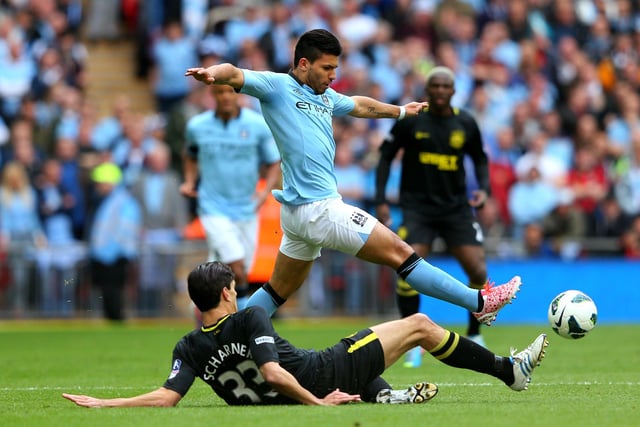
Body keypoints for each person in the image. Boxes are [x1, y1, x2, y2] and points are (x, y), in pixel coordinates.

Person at [184, 29, 521, 324]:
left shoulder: (325, 96)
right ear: (303, 64)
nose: (333, 75)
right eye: (327, 68)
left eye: (335, 68)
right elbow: (234, 72)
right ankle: (479, 303)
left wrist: (402, 111)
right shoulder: (277, 87)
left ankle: (227, 333)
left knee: (275, 291)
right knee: (401, 253)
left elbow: (359, 105)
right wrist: (213, 73)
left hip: (300, 214)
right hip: (320, 210)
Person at [62, 261, 548, 408]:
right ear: (230, 294)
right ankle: (510, 373)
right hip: (324, 374)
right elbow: (273, 369)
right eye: (237, 286)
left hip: (300, 388)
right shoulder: (250, 318)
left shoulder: (188, 345)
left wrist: (105, 404)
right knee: (420, 325)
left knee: (362, 349)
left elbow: (168, 398)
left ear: (196, 304)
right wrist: (319, 404)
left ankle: (383, 398)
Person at [375, 66, 493, 367]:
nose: (440, 91)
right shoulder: (412, 121)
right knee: (407, 268)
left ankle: (475, 333)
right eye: (435, 86)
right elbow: (385, 156)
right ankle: (411, 341)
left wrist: (483, 188)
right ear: (427, 90)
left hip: (456, 209)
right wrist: (380, 200)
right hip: (418, 209)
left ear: (453, 91)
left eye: (445, 86)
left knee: (478, 270)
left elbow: (480, 157)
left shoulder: (465, 122)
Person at [180, 84, 281, 310]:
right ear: (212, 95)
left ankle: (204, 315)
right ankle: (242, 320)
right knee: (236, 266)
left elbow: (274, 161)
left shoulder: (257, 125)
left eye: (230, 91)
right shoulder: (198, 126)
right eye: (220, 92)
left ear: (238, 94)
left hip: (247, 209)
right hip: (212, 208)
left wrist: (264, 192)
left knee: (225, 271)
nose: (226, 96)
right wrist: (189, 181)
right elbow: (190, 154)